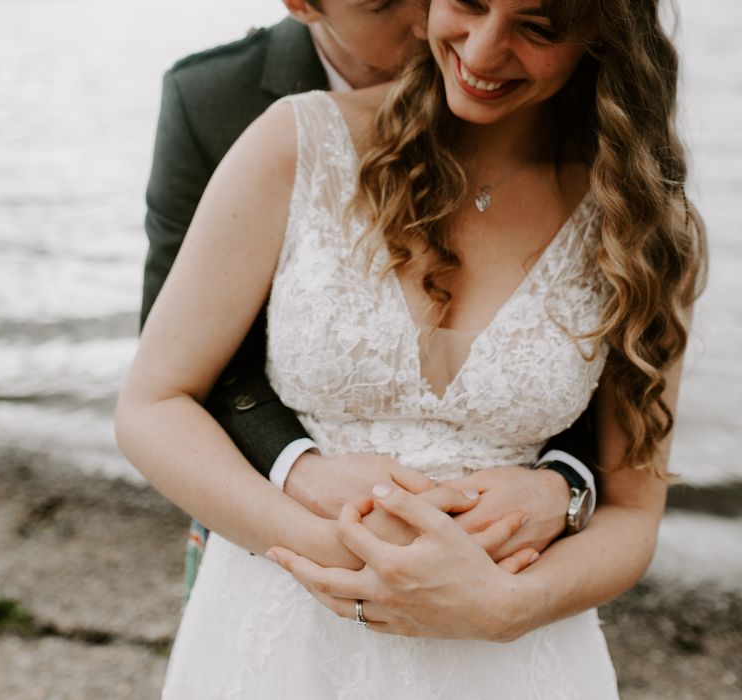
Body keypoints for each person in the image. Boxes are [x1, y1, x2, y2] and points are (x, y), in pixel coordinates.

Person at [117, 0, 706, 697]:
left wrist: (511, 607)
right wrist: (336, 548)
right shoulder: (296, 141)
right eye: (469, 3)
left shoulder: (643, 227)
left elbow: (633, 512)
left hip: (511, 659)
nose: (484, 54)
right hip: (284, 632)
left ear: (602, 35)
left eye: (538, 28)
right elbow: (154, 405)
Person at [142, 0, 601, 600]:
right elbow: (178, 372)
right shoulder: (223, 105)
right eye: (384, 1)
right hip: (271, 512)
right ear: (304, 5)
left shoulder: (606, 187)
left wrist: (564, 484)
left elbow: (588, 371)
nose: (426, 17)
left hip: (504, 567)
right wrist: (301, 473)